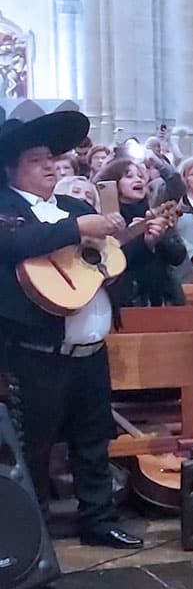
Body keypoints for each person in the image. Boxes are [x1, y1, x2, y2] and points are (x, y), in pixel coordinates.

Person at [0, 109, 150, 549]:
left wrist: (132, 245)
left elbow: (107, 268)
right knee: (34, 451)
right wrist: (74, 229)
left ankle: (98, 521)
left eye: (51, 157)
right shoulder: (7, 210)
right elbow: (14, 244)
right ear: (11, 168)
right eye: (34, 160)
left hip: (91, 350)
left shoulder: (74, 206)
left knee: (93, 443)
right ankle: (33, 541)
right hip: (36, 354)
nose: (48, 166)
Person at [94, 157, 189, 305]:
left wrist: (160, 238)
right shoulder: (103, 218)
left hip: (163, 296)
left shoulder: (156, 211)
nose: (138, 180)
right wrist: (143, 243)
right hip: (126, 298)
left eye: (140, 176)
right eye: (129, 176)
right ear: (114, 183)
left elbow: (178, 256)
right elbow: (110, 263)